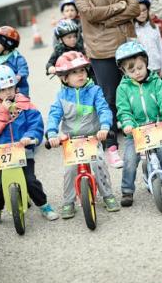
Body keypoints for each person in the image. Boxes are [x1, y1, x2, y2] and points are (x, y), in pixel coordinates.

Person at [0, 65, 59, 229]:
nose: (8, 92)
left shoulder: (25, 104)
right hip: (1, 154)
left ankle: (43, 205)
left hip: (22, 151)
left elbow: (35, 124)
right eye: (3, 90)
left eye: (11, 87)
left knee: (31, 181)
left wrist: (29, 137)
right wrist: (2, 111)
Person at [46, 51, 120, 219]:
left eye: (82, 71)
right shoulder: (61, 96)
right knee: (70, 169)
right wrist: (52, 133)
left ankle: (107, 194)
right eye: (74, 72)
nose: (80, 74)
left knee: (99, 163)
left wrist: (105, 127)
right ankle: (69, 201)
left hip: (93, 137)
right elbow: (54, 115)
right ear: (64, 78)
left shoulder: (94, 91)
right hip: (71, 140)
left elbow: (103, 109)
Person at [74, 0, 140, 168]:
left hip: (128, 43)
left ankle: (142, 139)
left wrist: (108, 20)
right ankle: (111, 146)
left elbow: (135, 8)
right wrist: (119, 7)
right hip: (101, 50)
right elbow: (89, 14)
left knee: (135, 90)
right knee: (109, 98)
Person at [115, 41, 162, 207]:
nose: (137, 72)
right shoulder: (123, 88)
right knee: (129, 160)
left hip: (157, 127)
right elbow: (123, 110)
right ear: (124, 71)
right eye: (131, 70)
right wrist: (127, 123)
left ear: (146, 63)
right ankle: (127, 190)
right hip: (135, 131)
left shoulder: (156, 82)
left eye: (140, 68)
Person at [133, 0, 162, 80]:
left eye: (144, 10)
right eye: (138, 11)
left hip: (157, 70)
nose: (141, 13)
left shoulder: (154, 27)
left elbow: (161, 50)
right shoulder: (132, 32)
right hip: (142, 73)